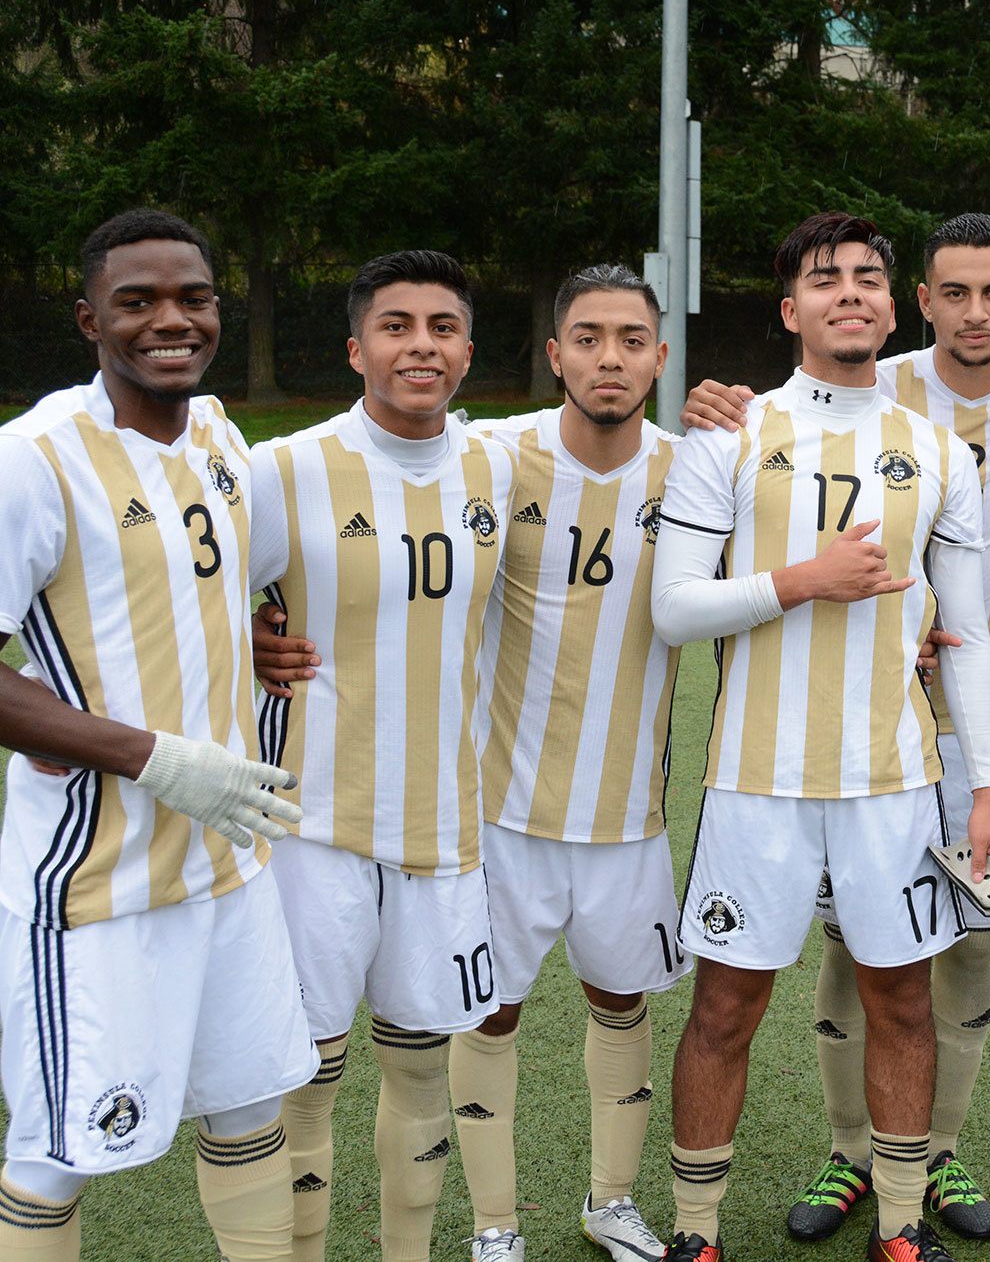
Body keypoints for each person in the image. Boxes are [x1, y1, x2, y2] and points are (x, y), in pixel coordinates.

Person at [254, 263, 690, 1262]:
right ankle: (495, 1226)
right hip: (486, 813)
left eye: (630, 339)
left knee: (619, 1004)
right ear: (551, 355)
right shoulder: (498, 453)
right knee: (464, 1021)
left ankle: (611, 1203)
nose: (609, 357)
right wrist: (250, 632)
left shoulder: (696, 462)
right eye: (586, 337)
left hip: (630, 809)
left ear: (660, 356)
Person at [0, 208, 315, 1261]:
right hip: (97, 882)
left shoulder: (222, 435)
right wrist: (149, 753)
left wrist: (259, 642)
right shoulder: (31, 460)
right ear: (90, 318)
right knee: (57, 1155)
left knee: (248, 1110)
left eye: (192, 298)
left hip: (228, 864)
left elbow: (227, 587)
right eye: (137, 302)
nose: (169, 321)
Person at [680, 213, 990, 1244]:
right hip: (752, 782)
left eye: (864, 278)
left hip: (896, 781)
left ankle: (901, 1221)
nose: (846, 292)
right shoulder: (730, 430)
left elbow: (969, 637)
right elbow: (672, 609)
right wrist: (802, 582)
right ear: (789, 309)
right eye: (822, 279)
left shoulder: (936, 449)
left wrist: (979, 792)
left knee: (904, 1002)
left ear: (890, 308)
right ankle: (694, 1227)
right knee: (724, 1008)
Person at [246, 250, 515, 1262]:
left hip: (443, 832)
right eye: (396, 326)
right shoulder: (284, 470)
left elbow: (623, 437)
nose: (421, 345)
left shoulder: (500, 463)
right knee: (303, 1074)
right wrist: (246, 642)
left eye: (442, 327)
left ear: (468, 352)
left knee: (419, 1065)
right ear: (355, 346)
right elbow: (189, 604)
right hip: (310, 828)